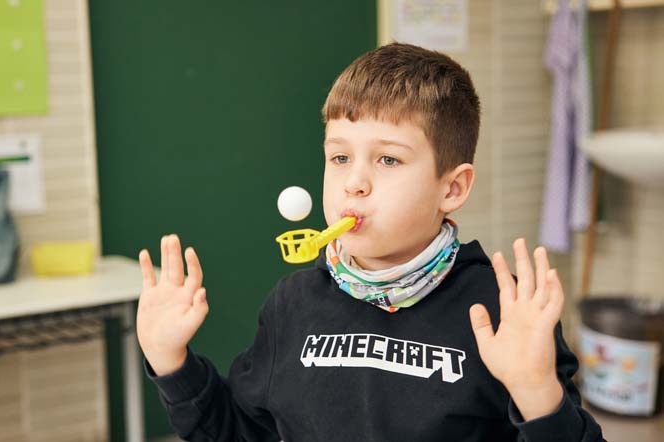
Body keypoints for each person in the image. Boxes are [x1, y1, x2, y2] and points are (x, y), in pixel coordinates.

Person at [136, 43, 605, 441]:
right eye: (340, 156)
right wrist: (170, 361)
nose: (354, 183)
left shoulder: (504, 311)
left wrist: (538, 393)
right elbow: (238, 431)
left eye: (388, 160)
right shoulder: (291, 305)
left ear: (453, 188)